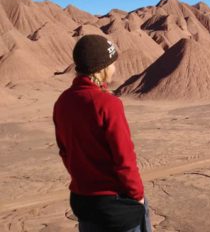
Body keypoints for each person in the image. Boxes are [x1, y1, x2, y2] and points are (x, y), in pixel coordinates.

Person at [53, 34, 153, 232]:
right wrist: (138, 196)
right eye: (112, 63)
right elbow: (124, 159)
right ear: (101, 69)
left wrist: (84, 180)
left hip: (83, 203)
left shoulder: (62, 102)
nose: (115, 68)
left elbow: (65, 152)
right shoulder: (108, 105)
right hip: (115, 207)